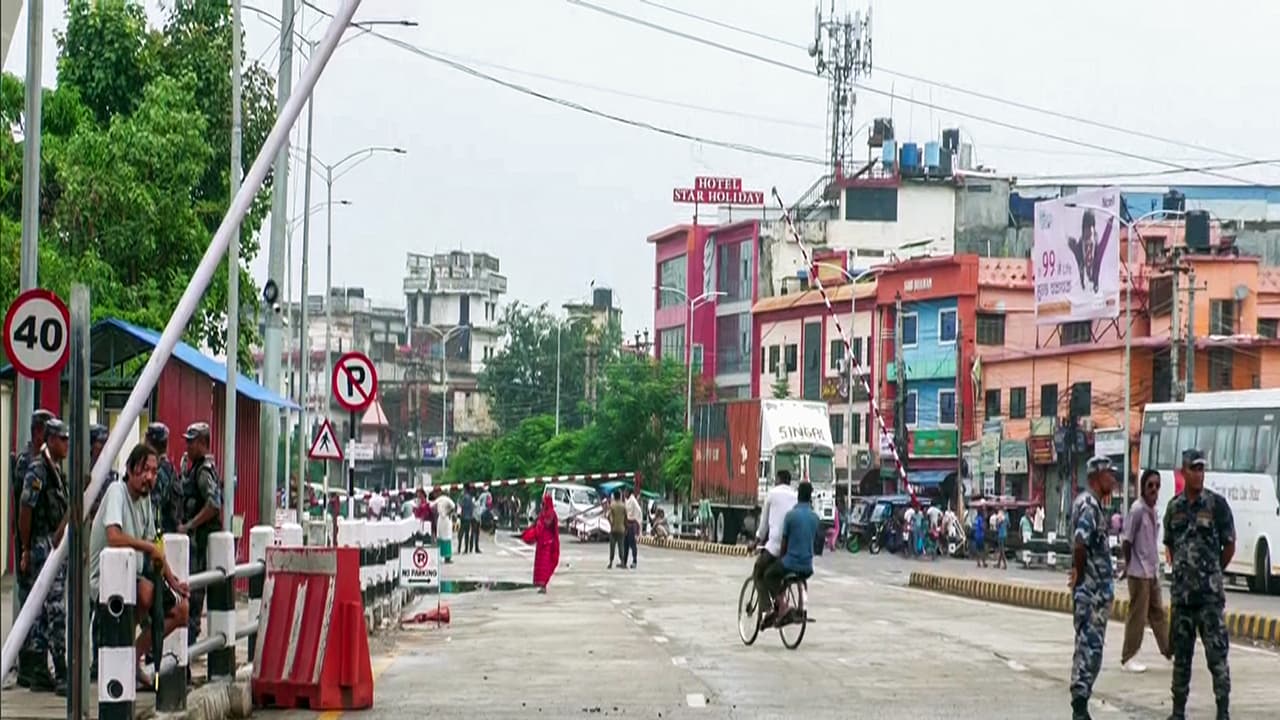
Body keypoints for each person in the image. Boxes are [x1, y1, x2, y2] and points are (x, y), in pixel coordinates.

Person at [88, 443, 190, 686]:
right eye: (145, 470)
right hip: (107, 580)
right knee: (146, 593)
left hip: (133, 577)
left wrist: (173, 581)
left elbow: (155, 545)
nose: (150, 477)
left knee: (182, 610)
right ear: (131, 469)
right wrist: (149, 548)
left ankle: (132, 657)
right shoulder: (116, 491)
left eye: (154, 472)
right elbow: (114, 536)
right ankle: (118, 655)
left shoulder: (146, 501)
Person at [1164, 449, 1234, 720]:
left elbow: (1229, 544)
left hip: (1209, 599)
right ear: (1183, 471)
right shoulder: (1174, 507)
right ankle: (1178, 711)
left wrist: (1213, 571)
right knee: (1181, 659)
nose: (1199, 473)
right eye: (1193, 468)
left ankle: (1222, 712)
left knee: (1217, 658)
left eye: (1202, 468)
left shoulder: (1216, 505)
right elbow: (1170, 543)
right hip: (1182, 599)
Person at [16, 417, 71, 694]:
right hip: (42, 546)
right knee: (53, 609)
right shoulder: (38, 470)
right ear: (49, 439)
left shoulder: (56, 470)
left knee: (45, 610)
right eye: (63, 439)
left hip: (52, 545)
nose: (67, 444)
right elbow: (26, 510)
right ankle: (59, 670)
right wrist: (26, 549)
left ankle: (39, 670)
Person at [1069, 455, 1117, 720]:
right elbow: (1079, 543)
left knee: (1087, 647)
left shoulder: (1089, 504)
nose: (1113, 478)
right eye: (1109, 473)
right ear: (1096, 477)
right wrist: (1081, 574)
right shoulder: (1089, 505)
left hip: (1093, 591)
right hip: (1091, 593)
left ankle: (1080, 704)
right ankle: (1080, 706)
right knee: (1091, 648)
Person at [9, 408, 54, 689]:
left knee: (35, 602)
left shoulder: (39, 460)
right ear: (38, 432)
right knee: (35, 603)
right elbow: (26, 508)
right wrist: (25, 548)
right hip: (33, 542)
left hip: (37, 541)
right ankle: (32, 666)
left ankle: (31, 665)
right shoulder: (31, 463)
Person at [1119, 468, 1171, 673]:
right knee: (1138, 615)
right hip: (1138, 572)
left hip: (1151, 571)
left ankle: (1169, 651)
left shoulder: (1153, 511)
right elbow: (1127, 540)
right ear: (1143, 487)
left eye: (1157, 486)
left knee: (1158, 613)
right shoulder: (1137, 510)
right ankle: (1128, 656)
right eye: (1150, 485)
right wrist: (1129, 564)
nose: (1154, 490)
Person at [178, 422, 223, 645]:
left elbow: (214, 504)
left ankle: (190, 643)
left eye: (192, 442)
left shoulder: (203, 471)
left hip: (199, 543)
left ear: (203, 443)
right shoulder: (191, 466)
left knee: (194, 596)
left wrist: (190, 525)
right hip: (191, 544)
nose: (187, 445)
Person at [760, 482, 820, 626]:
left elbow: (784, 544)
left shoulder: (790, 516)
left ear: (798, 495)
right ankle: (800, 608)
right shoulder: (815, 518)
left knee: (768, 575)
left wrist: (780, 558)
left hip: (791, 563)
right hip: (807, 566)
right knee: (799, 576)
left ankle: (782, 605)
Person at [753, 470, 797, 603]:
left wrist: (756, 541)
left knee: (758, 572)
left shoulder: (772, 494)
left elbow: (763, 524)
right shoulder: (796, 495)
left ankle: (767, 607)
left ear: (778, 480)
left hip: (775, 546)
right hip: (791, 548)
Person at [145, 423, 181, 535]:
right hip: (170, 532)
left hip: (160, 534)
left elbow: (153, 508)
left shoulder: (159, 471)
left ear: (148, 442)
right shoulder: (169, 468)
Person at [522, 494, 560, 593]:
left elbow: (546, 523)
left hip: (547, 543)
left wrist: (540, 523)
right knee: (540, 565)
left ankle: (543, 584)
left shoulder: (551, 513)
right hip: (542, 542)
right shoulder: (544, 513)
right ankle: (540, 583)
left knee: (546, 565)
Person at [87, 424, 120, 517]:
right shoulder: (85, 473)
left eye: (107, 442)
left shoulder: (111, 474)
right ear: (91, 445)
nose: (105, 447)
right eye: (101, 442)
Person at [432, 489, 456, 563]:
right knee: (447, 538)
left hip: (440, 519)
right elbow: (453, 507)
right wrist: (448, 513)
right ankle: (447, 557)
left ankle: (439, 556)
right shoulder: (448, 500)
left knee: (440, 537)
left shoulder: (439, 499)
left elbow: (432, 506)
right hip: (446, 519)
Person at [607, 491, 627, 569]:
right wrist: (626, 527)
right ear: (620, 496)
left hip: (613, 529)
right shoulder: (623, 506)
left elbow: (609, 516)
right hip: (621, 529)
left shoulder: (612, 505)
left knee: (612, 547)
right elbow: (626, 518)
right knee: (621, 546)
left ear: (614, 497)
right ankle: (622, 562)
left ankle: (611, 563)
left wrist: (611, 524)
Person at [624, 488, 642, 569]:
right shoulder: (627, 501)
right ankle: (624, 561)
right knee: (625, 544)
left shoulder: (633, 501)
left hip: (631, 525)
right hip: (626, 525)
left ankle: (634, 561)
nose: (625, 493)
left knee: (632, 544)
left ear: (629, 493)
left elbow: (638, 512)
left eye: (626, 492)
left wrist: (636, 523)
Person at [460, 488, 476, 554]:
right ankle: (469, 548)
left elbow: (462, 506)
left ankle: (465, 549)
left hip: (464, 518)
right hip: (469, 517)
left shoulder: (464, 498)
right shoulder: (471, 498)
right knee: (468, 533)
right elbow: (472, 507)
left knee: (463, 534)